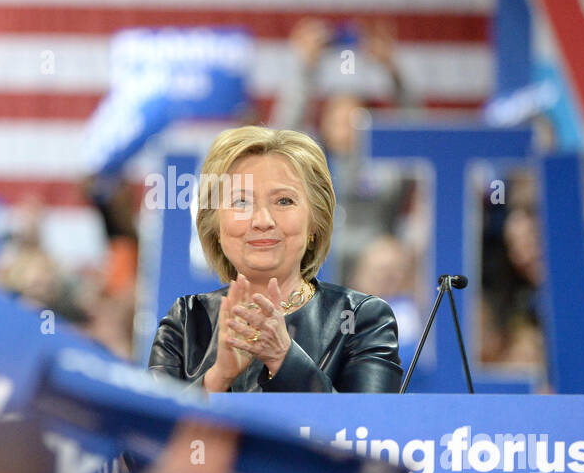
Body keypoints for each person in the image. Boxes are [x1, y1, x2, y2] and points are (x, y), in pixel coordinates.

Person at [148, 125, 403, 393]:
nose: (263, 221)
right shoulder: (187, 320)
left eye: (283, 201)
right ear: (215, 227)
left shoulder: (362, 319)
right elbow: (152, 430)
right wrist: (219, 377)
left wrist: (285, 358)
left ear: (315, 222)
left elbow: (367, 429)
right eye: (241, 202)